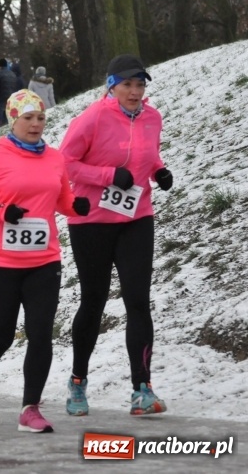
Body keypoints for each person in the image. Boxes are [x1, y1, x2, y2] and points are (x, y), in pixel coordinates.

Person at [0, 90, 90, 433]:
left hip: (44, 260)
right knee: (0, 336)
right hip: (0, 260)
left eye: (40, 118)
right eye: (28, 118)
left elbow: (62, 200)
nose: (35, 124)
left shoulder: (55, 158)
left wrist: (77, 207)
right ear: (13, 120)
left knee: (41, 334)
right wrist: (0, 212)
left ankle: (30, 408)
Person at [59, 54, 172, 417]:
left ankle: (142, 388)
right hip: (91, 220)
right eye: (127, 84)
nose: (135, 91)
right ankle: (78, 383)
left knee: (138, 300)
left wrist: (160, 171)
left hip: (137, 216)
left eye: (140, 85)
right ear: (111, 86)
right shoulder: (91, 118)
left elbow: (147, 157)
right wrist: (108, 176)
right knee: (94, 300)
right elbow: (65, 163)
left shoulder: (153, 118)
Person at [0, 58, 17, 129]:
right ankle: (6, 130)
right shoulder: (13, 74)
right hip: (11, 98)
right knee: (7, 118)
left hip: (0, 99)